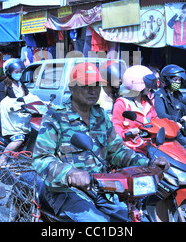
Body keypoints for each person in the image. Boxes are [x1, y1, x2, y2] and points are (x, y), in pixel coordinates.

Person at [32, 62, 169, 222]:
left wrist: (149, 163)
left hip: (102, 189)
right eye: (86, 85)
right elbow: (41, 159)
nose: (93, 91)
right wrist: (69, 173)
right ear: (72, 88)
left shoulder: (101, 115)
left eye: (97, 85)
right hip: (67, 192)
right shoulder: (55, 117)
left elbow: (117, 151)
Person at [111, 65, 158, 155]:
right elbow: (116, 128)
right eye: (147, 84)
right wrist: (128, 133)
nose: (150, 88)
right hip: (130, 149)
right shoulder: (122, 103)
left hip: (150, 147)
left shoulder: (149, 102)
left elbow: (156, 121)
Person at [153, 64, 186, 159]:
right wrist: (180, 119)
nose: (178, 82)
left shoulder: (178, 95)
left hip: (179, 130)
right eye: (175, 80)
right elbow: (161, 115)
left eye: (179, 80)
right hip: (168, 132)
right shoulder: (159, 95)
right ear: (167, 80)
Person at [0, 58, 34, 166]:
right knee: (19, 140)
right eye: (16, 72)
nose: (19, 74)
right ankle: (2, 159)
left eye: (20, 71)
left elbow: (29, 97)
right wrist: (16, 105)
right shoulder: (3, 85)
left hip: (21, 118)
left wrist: (42, 103)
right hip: (10, 120)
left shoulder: (21, 85)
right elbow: (3, 102)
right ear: (9, 72)